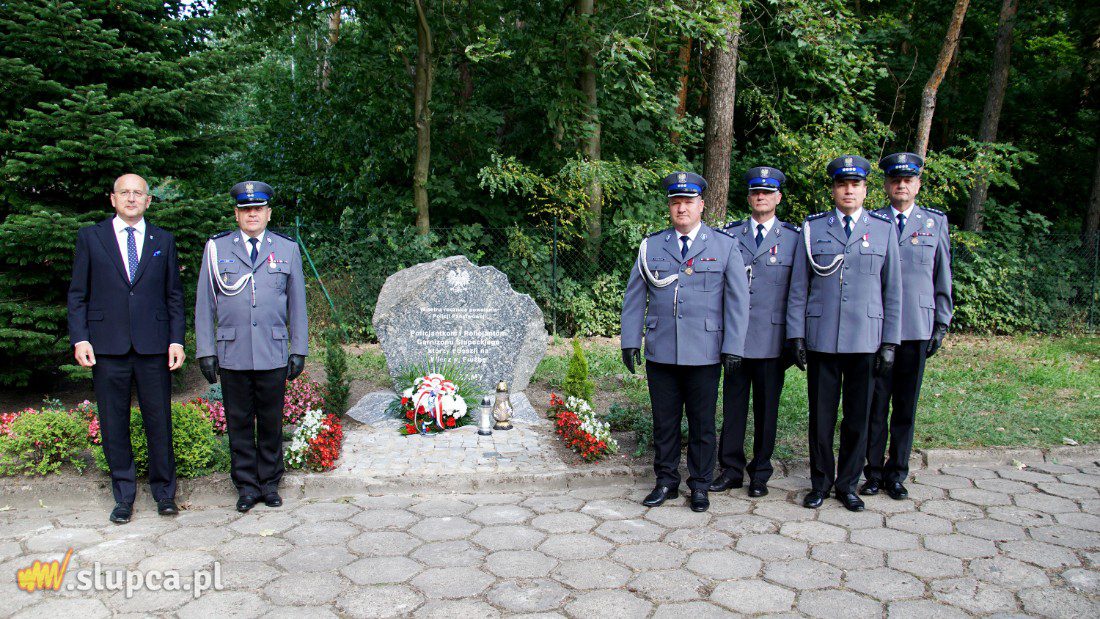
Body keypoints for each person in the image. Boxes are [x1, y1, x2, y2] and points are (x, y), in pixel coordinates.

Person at [621, 171, 750, 512]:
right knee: (664, 422)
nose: (681, 208)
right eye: (676, 202)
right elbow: (635, 296)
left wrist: (734, 346)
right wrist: (629, 340)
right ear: (670, 206)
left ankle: (700, 485)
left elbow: (738, 300)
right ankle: (666, 481)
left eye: (688, 202)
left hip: (705, 351)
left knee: (702, 423)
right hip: (662, 348)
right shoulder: (652, 246)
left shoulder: (724, 245)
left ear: (701, 205)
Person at [786, 155, 902, 512]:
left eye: (855, 184)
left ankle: (847, 484)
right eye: (842, 184)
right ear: (834, 190)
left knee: (858, 416)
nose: (848, 190)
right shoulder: (813, 229)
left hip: (865, 340)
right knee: (820, 418)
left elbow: (892, 289)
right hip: (822, 337)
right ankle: (820, 482)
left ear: (865, 190)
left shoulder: (883, 229)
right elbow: (798, 287)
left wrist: (889, 343)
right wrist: (796, 336)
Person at [67, 174, 184, 524]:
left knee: (158, 421)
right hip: (107, 347)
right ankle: (124, 496)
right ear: (113, 199)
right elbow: (78, 294)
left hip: (154, 346)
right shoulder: (91, 237)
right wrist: (81, 338)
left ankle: (164, 494)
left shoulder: (164, 239)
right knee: (114, 423)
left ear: (148, 201)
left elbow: (174, 295)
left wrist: (176, 339)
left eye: (138, 193)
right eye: (125, 193)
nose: (131, 198)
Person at [194, 181, 308, 512]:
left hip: (272, 350)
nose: (252, 214)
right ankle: (246, 485)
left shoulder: (286, 249)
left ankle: (270, 483)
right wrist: (206, 350)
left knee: (271, 420)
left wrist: (298, 348)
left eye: (258, 209)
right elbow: (205, 303)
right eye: (246, 210)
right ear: (237, 214)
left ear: (268, 213)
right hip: (233, 352)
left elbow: (297, 304)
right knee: (239, 421)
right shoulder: (218, 249)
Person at [862, 152, 953, 500]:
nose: (901, 185)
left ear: (917, 185)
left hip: (916, 327)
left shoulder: (934, 224)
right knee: (875, 405)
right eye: (895, 180)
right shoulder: (873, 222)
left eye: (908, 180)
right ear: (885, 185)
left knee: (905, 405)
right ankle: (872, 472)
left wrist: (941, 321)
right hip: (878, 329)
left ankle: (896, 472)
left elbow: (942, 275)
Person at [711, 167, 799, 498]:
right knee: (733, 407)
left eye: (767, 192)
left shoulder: (792, 238)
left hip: (773, 341)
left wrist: (794, 337)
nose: (760, 197)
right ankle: (730, 469)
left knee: (767, 410)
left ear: (777, 197)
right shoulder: (729, 235)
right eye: (755, 192)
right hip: (737, 339)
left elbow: (798, 291)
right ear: (749, 198)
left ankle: (760, 472)